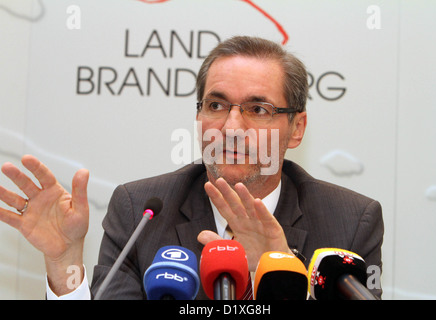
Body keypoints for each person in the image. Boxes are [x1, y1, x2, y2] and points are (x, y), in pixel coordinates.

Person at [0, 36, 383, 300]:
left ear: (296, 128)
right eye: (216, 106)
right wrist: (64, 262)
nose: (232, 127)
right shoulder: (141, 211)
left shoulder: (351, 222)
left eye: (258, 109)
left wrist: (284, 277)